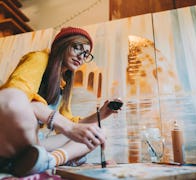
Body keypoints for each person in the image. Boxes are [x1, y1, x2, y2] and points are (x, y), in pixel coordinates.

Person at [0, 27, 122, 177]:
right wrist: (70, 127)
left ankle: (49, 161)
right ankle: (35, 159)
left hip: (33, 144)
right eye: (77, 48)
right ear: (62, 45)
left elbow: (68, 123)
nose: (81, 57)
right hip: (10, 138)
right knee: (14, 97)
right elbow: (16, 98)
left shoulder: (64, 83)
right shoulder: (39, 58)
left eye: (86, 54)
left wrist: (101, 114)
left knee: (97, 133)